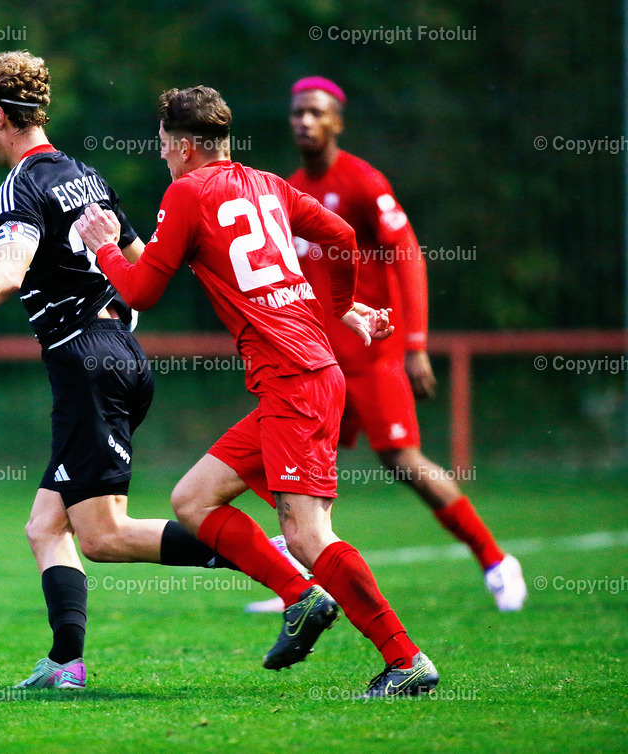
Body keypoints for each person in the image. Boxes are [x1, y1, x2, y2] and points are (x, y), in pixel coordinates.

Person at [0, 52, 244, 690]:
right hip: (121, 355)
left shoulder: (21, 184)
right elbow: (140, 261)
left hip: (86, 364)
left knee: (102, 537)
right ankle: (65, 663)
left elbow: (7, 274)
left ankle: (263, 558)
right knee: (46, 525)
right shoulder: (84, 175)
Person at [75, 85, 438, 697]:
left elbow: (139, 293)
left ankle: (405, 660)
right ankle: (300, 598)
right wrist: (345, 306)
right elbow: (344, 237)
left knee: (307, 534)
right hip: (301, 377)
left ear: (187, 147)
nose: (163, 157)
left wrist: (103, 244)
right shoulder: (266, 182)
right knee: (193, 499)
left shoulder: (186, 192)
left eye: (165, 147)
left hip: (295, 382)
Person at [245, 77, 525, 615]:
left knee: (403, 460)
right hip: (317, 360)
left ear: (336, 122)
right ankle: (306, 585)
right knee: (289, 461)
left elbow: (408, 255)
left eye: (315, 112)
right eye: (297, 112)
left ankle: (494, 560)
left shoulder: (362, 181)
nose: (303, 120)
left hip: (372, 357)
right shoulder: (286, 188)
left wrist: (415, 343)